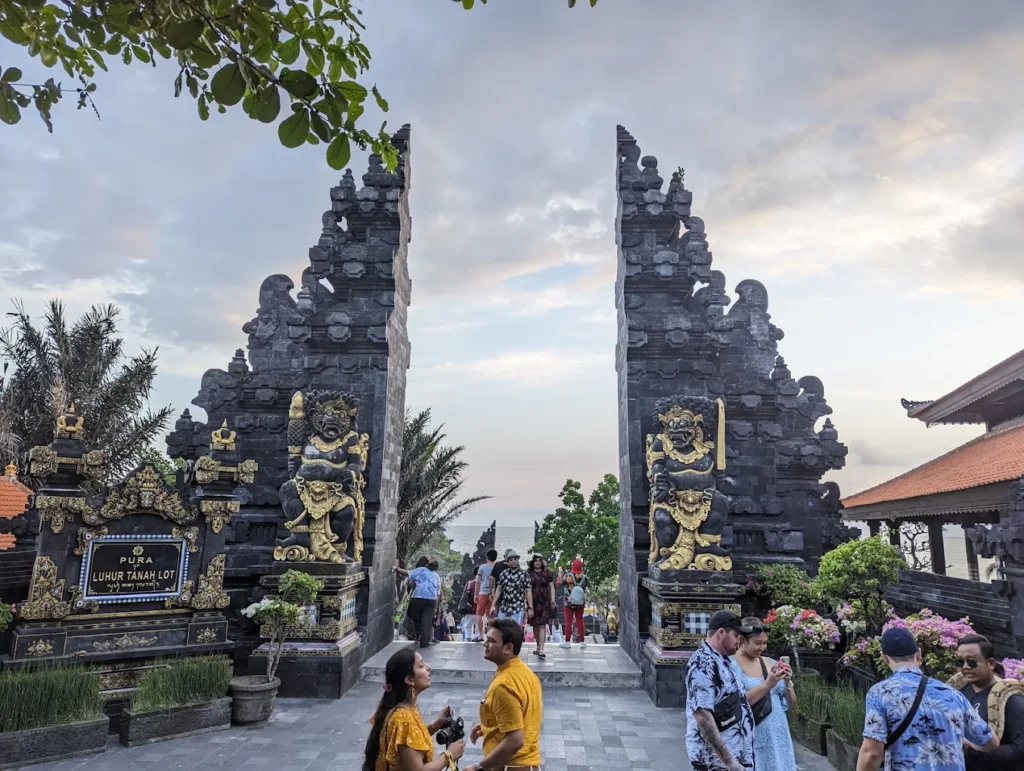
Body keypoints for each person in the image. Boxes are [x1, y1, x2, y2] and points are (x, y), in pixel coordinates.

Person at [857, 627, 999, 771]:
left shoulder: (880, 693)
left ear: (884, 657)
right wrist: (959, 738)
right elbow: (991, 742)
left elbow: (871, 754)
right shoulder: (952, 693)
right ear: (918, 654)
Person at [362, 647, 466, 771]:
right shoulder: (403, 718)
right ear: (409, 680)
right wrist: (449, 754)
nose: (428, 667)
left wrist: (434, 726)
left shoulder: (404, 708)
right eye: (421, 666)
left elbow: (409, 743)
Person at [464, 618, 543, 771]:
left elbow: (515, 740)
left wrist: (479, 767)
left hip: (511, 766)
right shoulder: (527, 674)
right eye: (486, 639)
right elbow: (521, 717)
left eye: (491, 641)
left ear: (508, 648)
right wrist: (490, 726)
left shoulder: (504, 685)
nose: (485, 644)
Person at [685, 610, 755, 771]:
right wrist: (728, 760)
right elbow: (702, 715)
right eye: (736, 636)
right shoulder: (703, 663)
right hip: (717, 763)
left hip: (735, 758)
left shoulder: (724, 661)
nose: (739, 641)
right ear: (722, 633)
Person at [729, 617, 797, 771]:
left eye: (765, 643)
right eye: (757, 643)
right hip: (751, 732)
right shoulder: (731, 664)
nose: (762, 648)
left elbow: (792, 705)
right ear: (742, 640)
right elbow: (737, 701)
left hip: (778, 733)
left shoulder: (770, 663)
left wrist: (787, 681)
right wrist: (768, 684)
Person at [951, 634, 1024, 770]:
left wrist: (971, 749)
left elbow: (1019, 749)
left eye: (971, 662)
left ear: (990, 663)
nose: (965, 667)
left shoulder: (1011, 699)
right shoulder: (959, 691)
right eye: (961, 662)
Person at [394, 558, 441, 649]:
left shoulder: (422, 570)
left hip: (418, 598)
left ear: (427, 565)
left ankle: (418, 634)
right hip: (431, 600)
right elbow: (438, 592)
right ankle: (424, 641)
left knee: (413, 615)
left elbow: (408, 573)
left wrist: (396, 569)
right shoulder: (436, 576)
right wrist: (436, 605)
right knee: (427, 621)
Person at [526, 555, 555, 659]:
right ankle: (538, 645)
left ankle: (542, 648)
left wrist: (552, 600)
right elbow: (526, 588)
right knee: (535, 625)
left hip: (544, 602)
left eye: (539, 561)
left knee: (542, 625)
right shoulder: (529, 574)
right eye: (535, 561)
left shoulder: (546, 574)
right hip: (532, 602)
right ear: (533, 563)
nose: (537, 563)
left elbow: (551, 586)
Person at [491, 550, 530, 625]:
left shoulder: (524, 574)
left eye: (515, 559)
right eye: (511, 560)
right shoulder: (503, 574)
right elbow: (499, 589)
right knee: (501, 627)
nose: (513, 561)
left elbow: (528, 591)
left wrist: (530, 607)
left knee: (515, 628)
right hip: (504, 606)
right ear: (507, 562)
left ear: (518, 561)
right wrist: (493, 604)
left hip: (517, 606)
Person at [557, 558, 588, 648]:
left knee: (568, 621)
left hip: (568, 601)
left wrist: (560, 574)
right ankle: (582, 642)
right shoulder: (585, 577)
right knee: (580, 620)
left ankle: (567, 642)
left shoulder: (568, 576)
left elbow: (559, 583)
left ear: (572, 565)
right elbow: (585, 588)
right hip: (580, 602)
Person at [475, 550, 498, 641]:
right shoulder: (497, 567)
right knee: (491, 615)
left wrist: (476, 594)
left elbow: (477, 581)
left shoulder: (482, 567)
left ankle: (481, 635)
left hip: (483, 593)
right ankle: (489, 635)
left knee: (479, 614)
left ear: (487, 557)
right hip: (493, 594)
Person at [459, 567, 481, 642]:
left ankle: (468, 639)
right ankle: (478, 637)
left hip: (469, 608)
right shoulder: (484, 584)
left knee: (468, 625)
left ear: (474, 574)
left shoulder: (469, 583)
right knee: (479, 625)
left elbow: (464, 596)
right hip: (480, 609)